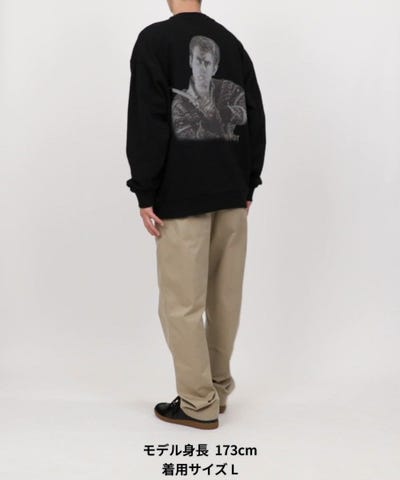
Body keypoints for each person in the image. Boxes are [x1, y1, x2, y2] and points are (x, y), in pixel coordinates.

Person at [125, 0, 266, 429]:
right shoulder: (232, 42)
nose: (203, 67)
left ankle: (197, 404)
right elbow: (256, 116)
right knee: (225, 299)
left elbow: (148, 119)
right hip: (231, 193)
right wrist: (249, 182)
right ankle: (217, 388)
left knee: (182, 305)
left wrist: (145, 190)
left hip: (182, 196)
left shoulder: (155, 40)